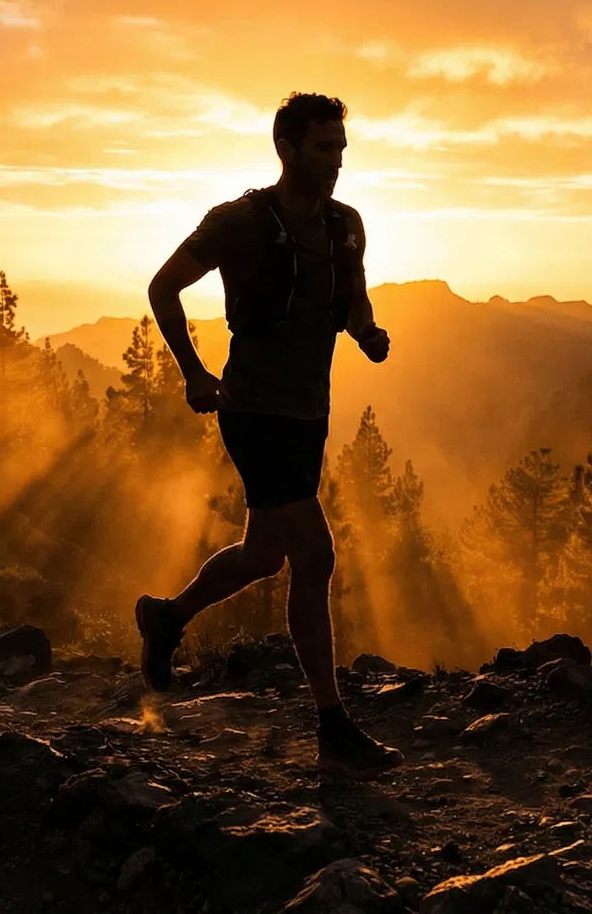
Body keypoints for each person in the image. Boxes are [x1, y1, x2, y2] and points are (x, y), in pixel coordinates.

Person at [134, 92, 403, 779]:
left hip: (309, 413)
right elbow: (164, 287)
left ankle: (167, 616)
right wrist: (194, 372)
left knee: (264, 556)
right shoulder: (240, 222)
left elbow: (350, 299)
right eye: (323, 148)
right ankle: (333, 727)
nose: (336, 161)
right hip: (253, 411)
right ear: (286, 149)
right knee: (314, 557)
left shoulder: (345, 226)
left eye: (341, 147)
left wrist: (367, 333)